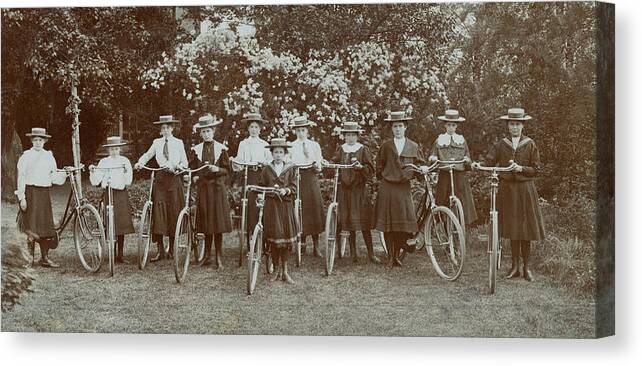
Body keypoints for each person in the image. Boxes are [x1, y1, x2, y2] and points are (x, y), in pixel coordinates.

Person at [472, 108, 546, 282]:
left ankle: (526, 268)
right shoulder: (501, 144)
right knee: (513, 229)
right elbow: (489, 161)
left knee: (525, 229)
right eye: (512, 124)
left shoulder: (530, 144)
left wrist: (520, 168)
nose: (514, 127)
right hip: (508, 191)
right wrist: (478, 165)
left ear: (522, 126)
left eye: (517, 124)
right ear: (507, 125)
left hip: (525, 190)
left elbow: (537, 169)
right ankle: (514, 267)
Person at [374, 110, 431, 267]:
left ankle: (400, 252)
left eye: (400, 126)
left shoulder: (413, 146)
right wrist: (385, 176)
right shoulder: (386, 146)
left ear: (405, 127)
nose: (397, 129)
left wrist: (423, 169)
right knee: (388, 224)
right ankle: (391, 257)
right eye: (394, 126)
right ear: (391, 128)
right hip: (388, 188)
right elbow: (379, 166)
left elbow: (420, 164)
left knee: (403, 223)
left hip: (403, 188)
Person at [134, 115, 188, 262]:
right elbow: (148, 155)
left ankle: (171, 248)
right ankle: (160, 250)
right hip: (160, 180)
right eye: (163, 128)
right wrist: (140, 162)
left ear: (172, 128)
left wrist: (177, 167)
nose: (165, 130)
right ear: (160, 130)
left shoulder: (178, 143)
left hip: (174, 179)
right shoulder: (156, 143)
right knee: (158, 212)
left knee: (172, 211)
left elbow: (185, 162)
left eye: (168, 127)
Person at [326, 121, 381, 264]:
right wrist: (330, 164)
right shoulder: (341, 149)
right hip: (345, 190)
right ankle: (353, 254)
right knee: (349, 221)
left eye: (353, 135)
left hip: (359, 190)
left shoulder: (363, 149)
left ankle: (371, 254)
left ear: (357, 136)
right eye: (348, 135)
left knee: (364, 223)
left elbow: (370, 169)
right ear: (344, 136)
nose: (350, 138)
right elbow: (334, 163)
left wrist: (361, 167)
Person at [15, 127, 66, 268]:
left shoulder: (49, 156)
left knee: (45, 226)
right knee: (31, 226)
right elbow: (21, 177)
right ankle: (29, 259)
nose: (38, 142)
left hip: (44, 194)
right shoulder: (26, 156)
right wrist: (22, 198)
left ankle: (44, 258)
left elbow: (53, 175)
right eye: (35, 140)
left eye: (40, 140)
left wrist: (64, 175)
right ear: (32, 141)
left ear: (44, 141)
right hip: (30, 193)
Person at [188, 114, 233, 269]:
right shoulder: (196, 150)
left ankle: (219, 256)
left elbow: (227, 170)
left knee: (217, 223)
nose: (206, 134)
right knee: (206, 222)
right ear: (200, 134)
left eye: (208, 131)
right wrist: (194, 177)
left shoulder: (221, 149)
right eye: (203, 132)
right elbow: (192, 169)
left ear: (213, 131)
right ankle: (207, 255)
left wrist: (217, 168)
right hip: (204, 190)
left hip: (217, 189)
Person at [89, 136, 135, 263]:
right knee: (109, 223)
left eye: (116, 149)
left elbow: (128, 181)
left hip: (120, 194)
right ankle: (111, 253)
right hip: (108, 193)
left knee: (121, 225)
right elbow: (96, 180)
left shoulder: (125, 161)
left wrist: (125, 172)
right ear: (108, 150)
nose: (114, 151)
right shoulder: (104, 162)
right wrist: (93, 171)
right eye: (112, 149)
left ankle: (120, 254)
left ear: (120, 149)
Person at [259, 138, 298, 284]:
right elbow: (261, 185)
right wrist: (263, 193)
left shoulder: (290, 168)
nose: (278, 155)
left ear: (285, 153)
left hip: (285, 206)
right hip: (271, 207)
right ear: (271, 153)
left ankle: (285, 271)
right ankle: (276, 269)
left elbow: (294, 188)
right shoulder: (266, 169)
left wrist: (286, 190)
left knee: (285, 239)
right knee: (274, 239)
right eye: (276, 152)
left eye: (281, 152)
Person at [428, 109, 478, 225]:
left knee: (462, 204)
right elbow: (432, 156)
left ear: (457, 126)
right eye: (449, 125)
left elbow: (468, 159)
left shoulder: (461, 140)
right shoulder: (439, 140)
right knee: (443, 202)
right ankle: (445, 229)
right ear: (445, 125)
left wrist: (467, 161)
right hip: (445, 176)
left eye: (453, 125)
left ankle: (460, 232)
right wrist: (433, 159)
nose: (451, 128)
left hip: (459, 177)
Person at [232, 112, 272, 245]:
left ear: (260, 129)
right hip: (249, 176)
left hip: (262, 176)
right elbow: (240, 162)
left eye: (256, 127)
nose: (254, 130)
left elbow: (270, 161)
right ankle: (250, 240)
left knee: (262, 204)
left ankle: (264, 238)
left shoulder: (265, 144)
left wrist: (264, 163)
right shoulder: (244, 144)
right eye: (251, 127)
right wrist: (235, 161)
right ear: (248, 128)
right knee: (249, 206)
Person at [288, 116, 325, 257]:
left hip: (311, 177)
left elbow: (319, 166)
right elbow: (289, 163)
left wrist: (313, 160)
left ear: (307, 130)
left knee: (313, 208)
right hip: (297, 177)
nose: (301, 133)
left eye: (303, 130)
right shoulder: (291, 146)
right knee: (300, 208)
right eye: (298, 130)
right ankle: (301, 244)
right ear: (295, 131)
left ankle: (316, 246)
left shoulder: (314, 145)